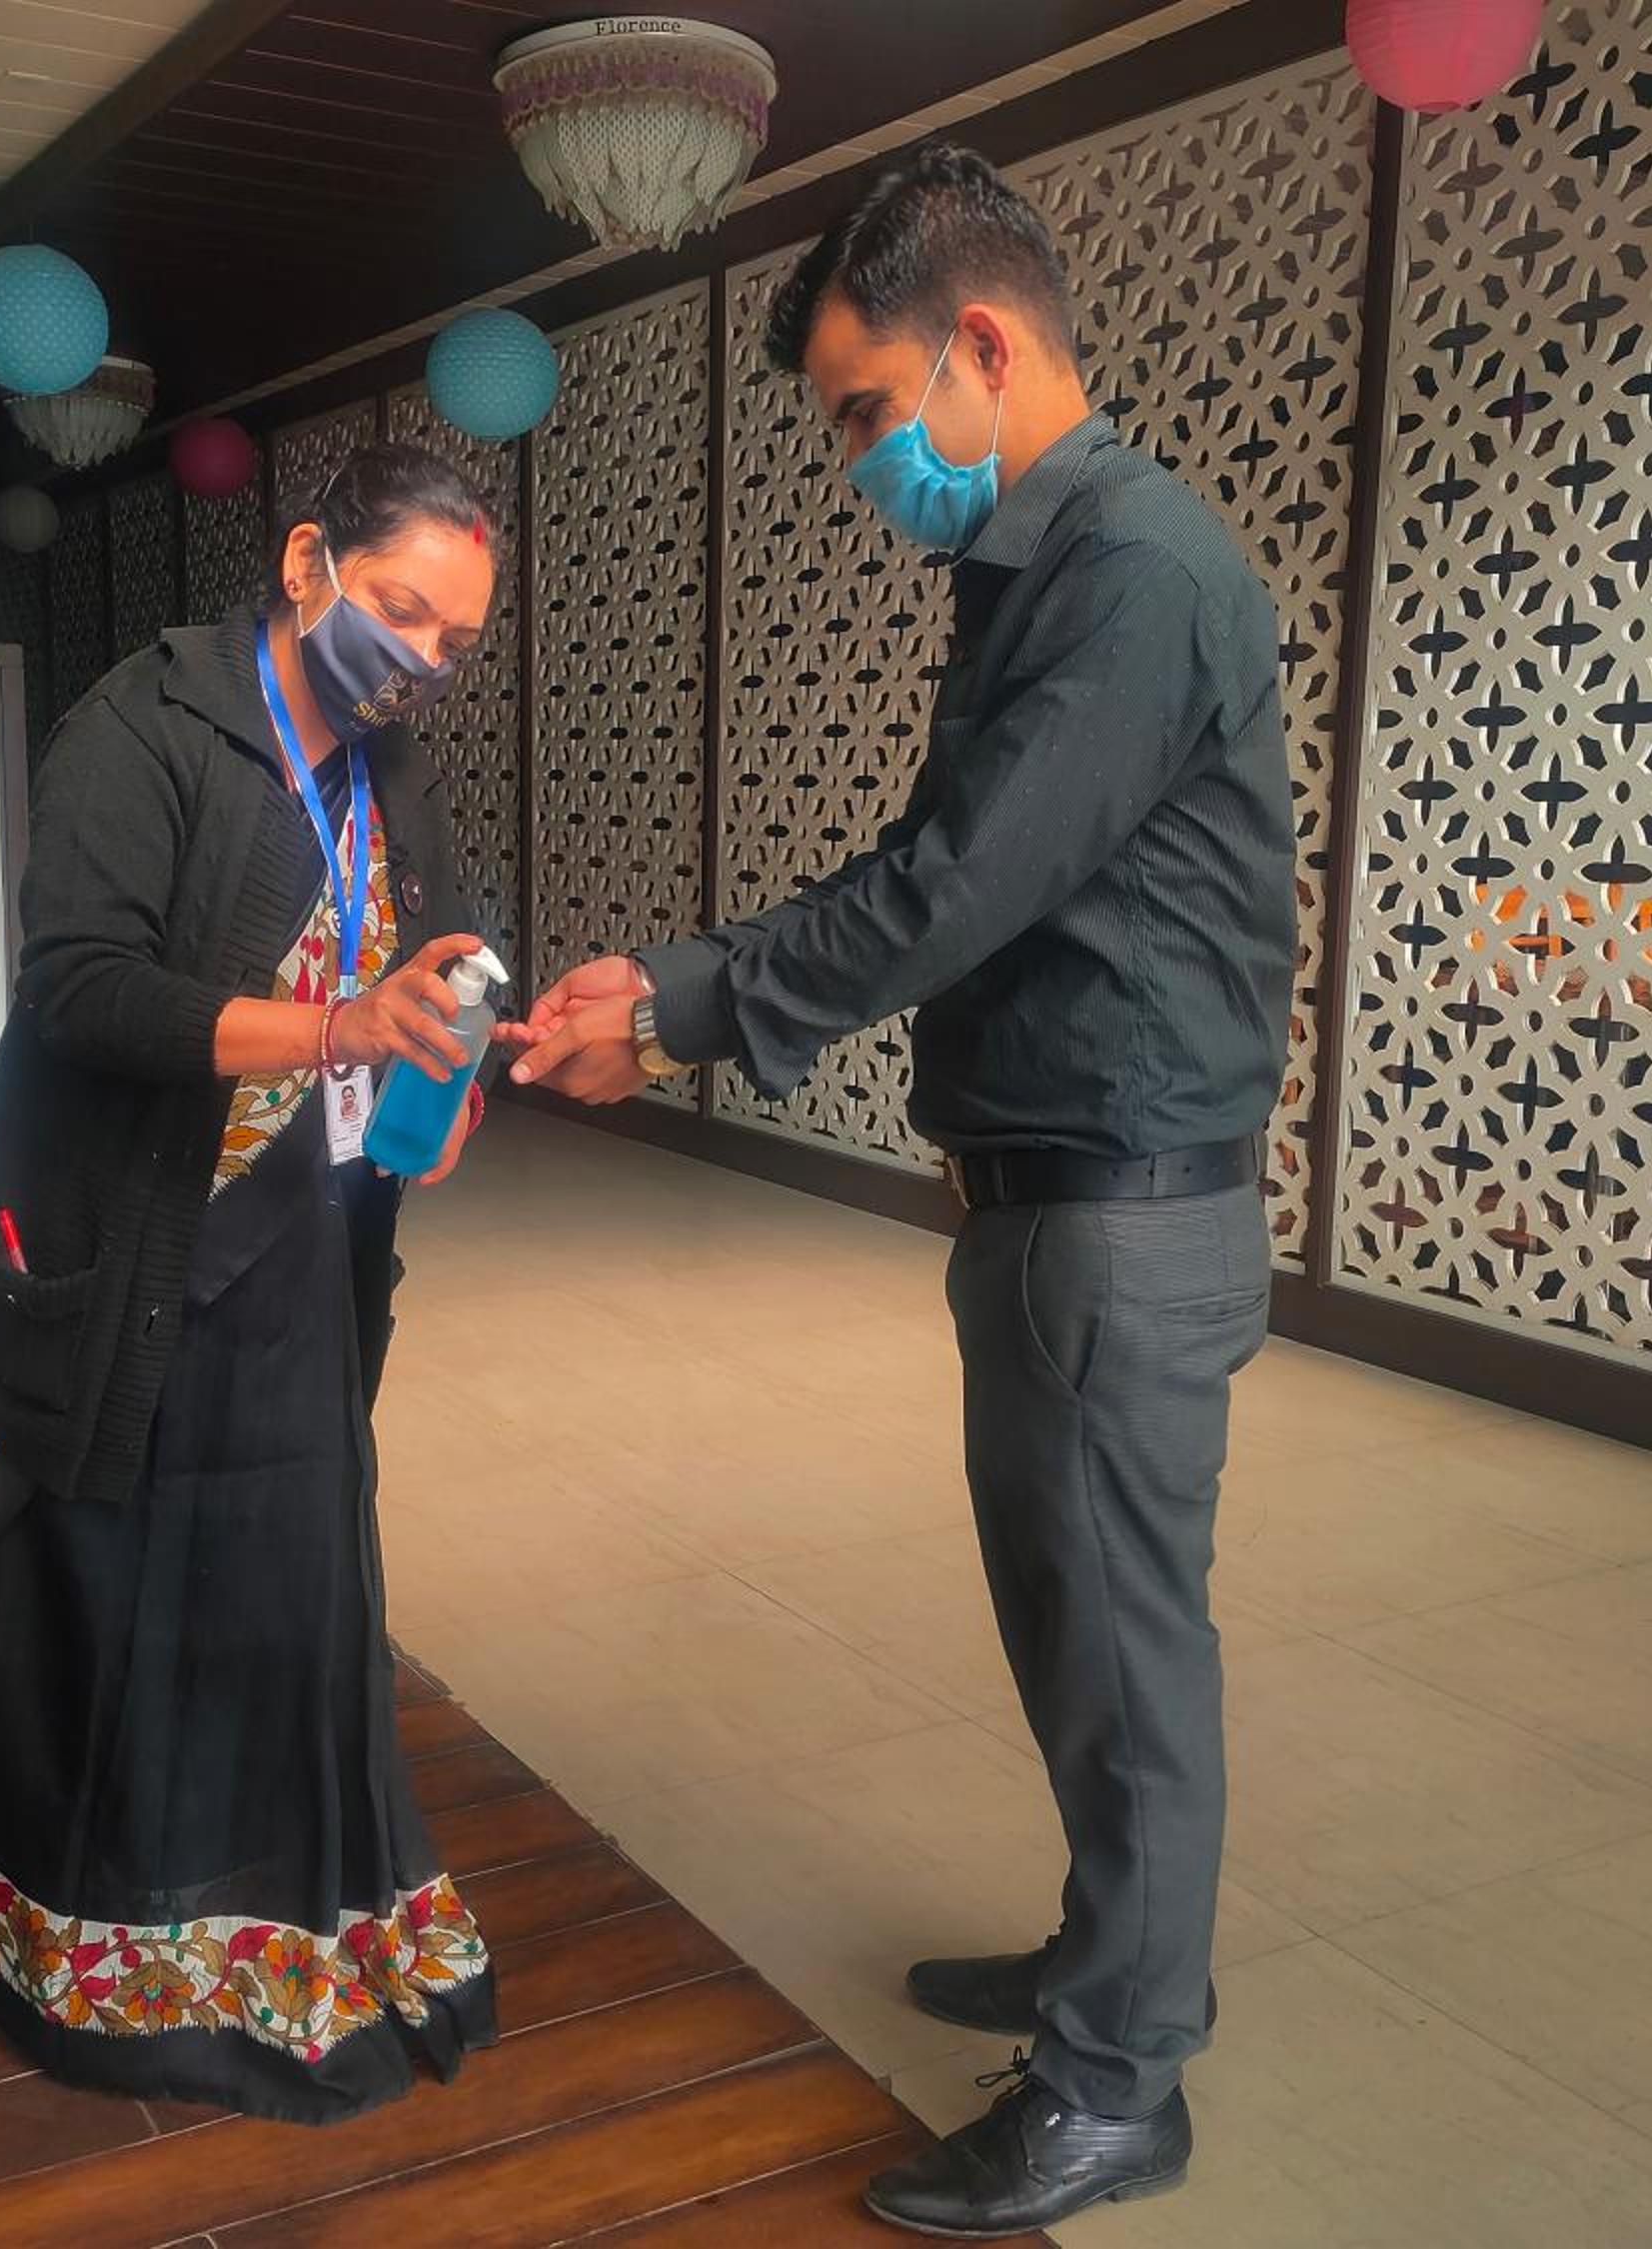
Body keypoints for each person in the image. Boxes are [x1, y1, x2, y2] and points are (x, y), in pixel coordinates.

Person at [513, 144, 1295, 2236]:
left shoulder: (1135, 574)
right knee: (1077, 1632)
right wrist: (689, 987)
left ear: (985, 345)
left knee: (1123, 1656)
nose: (867, 462)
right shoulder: (1041, 572)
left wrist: (685, 1003)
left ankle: (1120, 2086)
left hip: (1120, 1212)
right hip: (1059, 1204)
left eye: (871, 411)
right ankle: (1116, 1963)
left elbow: (955, 891)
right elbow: (944, 879)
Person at [0, 443, 509, 2124]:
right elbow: (83, 988)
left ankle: (292, 1917)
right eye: (400, 608)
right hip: (127, 1250)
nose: (420, 657)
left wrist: (445, 1056)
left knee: (292, 1584)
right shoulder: (149, 723)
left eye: (454, 640)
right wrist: (339, 1025)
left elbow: (436, 941)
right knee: (112, 1582)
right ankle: (103, 1949)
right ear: (308, 559)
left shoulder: (386, 764)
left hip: (300, 1250)